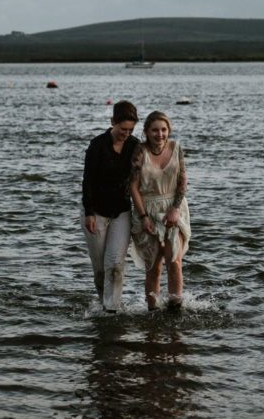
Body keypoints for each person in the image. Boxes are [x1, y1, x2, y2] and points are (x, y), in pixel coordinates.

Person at [81, 100, 140, 312]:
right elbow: (87, 181)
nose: (126, 133)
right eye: (123, 129)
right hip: (95, 212)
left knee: (115, 264)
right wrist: (89, 213)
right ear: (112, 122)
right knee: (100, 269)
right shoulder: (97, 145)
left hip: (121, 212)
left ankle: (111, 310)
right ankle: (103, 303)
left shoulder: (134, 145)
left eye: (131, 129)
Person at [129, 110, 191, 311]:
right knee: (154, 266)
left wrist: (174, 210)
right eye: (155, 130)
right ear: (146, 132)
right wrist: (143, 216)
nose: (160, 134)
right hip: (148, 208)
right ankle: (153, 310)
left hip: (174, 208)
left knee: (174, 260)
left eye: (164, 130)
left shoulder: (176, 148)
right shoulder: (140, 152)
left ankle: (175, 306)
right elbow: (133, 187)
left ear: (169, 131)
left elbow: (182, 182)